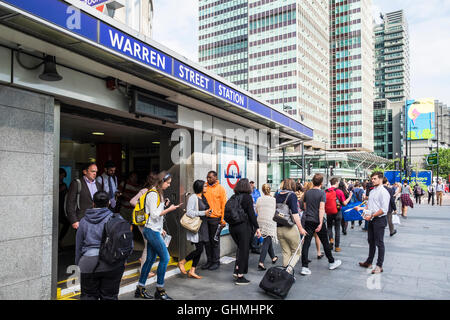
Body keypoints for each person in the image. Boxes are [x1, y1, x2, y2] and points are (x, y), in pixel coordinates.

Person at [135, 171, 182, 300]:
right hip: (151, 231)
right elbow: (155, 215)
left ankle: (140, 288)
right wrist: (170, 209)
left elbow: (155, 216)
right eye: (168, 183)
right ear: (161, 182)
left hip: (154, 230)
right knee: (165, 258)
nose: (169, 185)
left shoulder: (158, 194)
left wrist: (161, 229)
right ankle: (160, 291)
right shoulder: (153, 194)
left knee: (150, 260)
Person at [75, 191, 128, 300]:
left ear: (93, 203)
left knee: (88, 296)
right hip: (111, 262)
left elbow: (78, 247)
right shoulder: (116, 219)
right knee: (109, 296)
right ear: (109, 203)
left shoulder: (84, 221)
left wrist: (78, 264)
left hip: (88, 262)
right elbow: (126, 243)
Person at [301, 174, 342, 276]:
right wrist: (320, 223)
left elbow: (305, 207)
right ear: (321, 183)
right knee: (325, 242)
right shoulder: (322, 193)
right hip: (317, 220)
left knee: (306, 243)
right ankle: (331, 262)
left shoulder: (307, 193)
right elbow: (321, 209)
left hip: (308, 220)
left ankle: (304, 267)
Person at [355, 172, 391, 274]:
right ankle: (369, 262)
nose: (372, 180)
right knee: (371, 241)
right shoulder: (372, 191)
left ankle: (379, 265)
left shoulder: (383, 192)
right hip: (371, 219)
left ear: (380, 179)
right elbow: (370, 206)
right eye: (372, 179)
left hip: (379, 219)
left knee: (379, 243)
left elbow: (384, 209)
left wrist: (372, 215)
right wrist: (360, 208)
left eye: (374, 179)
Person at [227, 178, 261, 285]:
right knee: (244, 250)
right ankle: (240, 276)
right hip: (243, 227)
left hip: (232, 227)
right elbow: (251, 214)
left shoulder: (234, 197)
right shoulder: (247, 198)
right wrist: (257, 227)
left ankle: (237, 270)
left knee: (240, 249)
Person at [177, 180, 212, 279]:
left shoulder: (203, 197)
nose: (206, 187)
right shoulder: (193, 197)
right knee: (199, 249)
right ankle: (182, 262)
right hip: (197, 227)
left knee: (200, 249)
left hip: (203, 226)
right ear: (200, 187)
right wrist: (203, 213)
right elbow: (189, 212)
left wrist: (208, 212)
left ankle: (192, 270)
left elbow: (203, 210)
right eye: (204, 186)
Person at [275, 179, 307, 271]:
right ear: (293, 186)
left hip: (279, 228)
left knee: (286, 252)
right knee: (297, 252)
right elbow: (295, 214)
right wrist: (301, 228)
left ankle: (284, 274)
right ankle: (288, 271)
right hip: (290, 228)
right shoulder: (291, 195)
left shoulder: (277, 195)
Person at [202, 171, 227, 271]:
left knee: (215, 241)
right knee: (207, 241)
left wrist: (223, 220)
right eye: (207, 177)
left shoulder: (220, 189)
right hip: (205, 218)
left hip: (216, 219)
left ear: (215, 177)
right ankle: (209, 261)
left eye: (210, 177)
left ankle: (216, 262)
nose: (208, 179)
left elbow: (224, 205)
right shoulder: (205, 187)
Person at [66, 163, 103, 230]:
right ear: (85, 172)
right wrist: (74, 220)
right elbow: (70, 203)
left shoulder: (98, 185)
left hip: (96, 220)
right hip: (81, 220)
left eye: (96, 171)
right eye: (92, 171)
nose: (95, 173)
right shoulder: (77, 183)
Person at [325, 178, 352, 253]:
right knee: (337, 229)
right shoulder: (339, 191)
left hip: (329, 212)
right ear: (336, 182)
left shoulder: (326, 191)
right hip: (338, 212)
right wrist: (350, 196)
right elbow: (344, 203)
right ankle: (337, 247)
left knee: (329, 227)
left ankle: (331, 240)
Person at [255, 184, 278, 271]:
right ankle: (261, 262)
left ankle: (273, 257)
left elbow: (256, 211)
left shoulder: (259, 199)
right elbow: (275, 211)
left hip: (260, 221)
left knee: (267, 240)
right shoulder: (273, 200)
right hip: (270, 221)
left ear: (262, 190)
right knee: (267, 241)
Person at [300, 182, 324, 260]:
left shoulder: (304, 195)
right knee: (317, 236)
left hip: (306, 217)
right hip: (315, 217)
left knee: (305, 237)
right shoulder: (318, 194)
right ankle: (319, 252)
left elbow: (302, 206)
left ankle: (304, 255)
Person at [249, 180, 262, 254]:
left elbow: (259, 201)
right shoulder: (248, 192)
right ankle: (252, 246)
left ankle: (254, 246)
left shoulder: (257, 192)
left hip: (256, 214)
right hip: (250, 214)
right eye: (250, 183)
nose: (251, 185)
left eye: (252, 183)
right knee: (251, 231)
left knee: (255, 230)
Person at [58, 168, 70, 245]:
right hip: (56, 209)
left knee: (67, 223)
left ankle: (59, 240)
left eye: (63, 176)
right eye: (61, 175)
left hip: (62, 209)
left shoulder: (64, 185)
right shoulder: (55, 184)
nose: (62, 177)